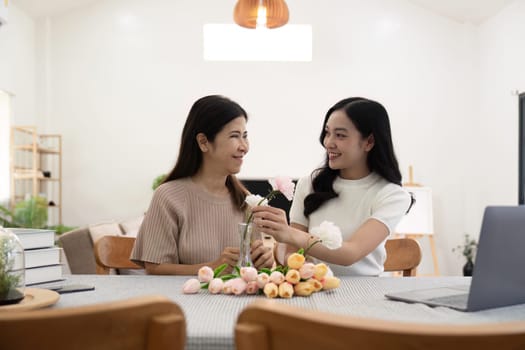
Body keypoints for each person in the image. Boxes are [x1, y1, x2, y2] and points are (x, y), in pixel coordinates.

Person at [252, 97, 412, 276]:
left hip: (366, 293)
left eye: (340, 135)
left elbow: (351, 253)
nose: (328, 142)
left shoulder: (392, 195)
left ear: (369, 142)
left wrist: (288, 233)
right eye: (327, 133)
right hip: (313, 290)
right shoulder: (309, 184)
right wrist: (287, 255)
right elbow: (292, 251)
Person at [131, 95, 274, 275]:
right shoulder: (168, 196)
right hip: (181, 302)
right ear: (203, 142)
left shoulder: (245, 200)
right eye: (234, 136)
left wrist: (264, 262)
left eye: (245, 136)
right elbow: (155, 268)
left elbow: (250, 268)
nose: (244, 146)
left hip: (238, 302)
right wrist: (211, 268)